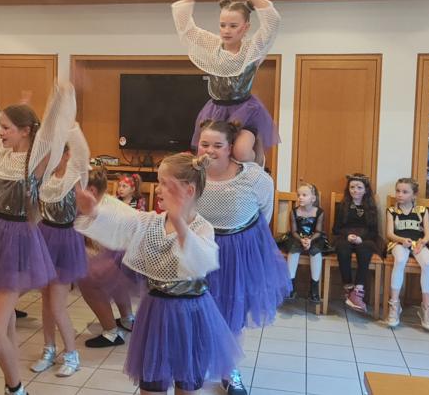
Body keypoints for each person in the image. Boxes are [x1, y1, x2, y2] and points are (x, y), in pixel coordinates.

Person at [0, 53, 76, 395]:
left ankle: (16, 388)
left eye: (7, 128)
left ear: (24, 131)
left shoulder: (36, 161)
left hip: (17, 241)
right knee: (3, 327)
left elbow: (52, 130)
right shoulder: (1, 152)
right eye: (1, 126)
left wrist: (61, 96)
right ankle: (13, 384)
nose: (0, 131)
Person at [75, 152, 241, 395]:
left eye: (165, 184)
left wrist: (179, 222)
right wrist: (94, 211)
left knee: (186, 385)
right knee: (152, 383)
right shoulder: (151, 222)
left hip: (190, 315)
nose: (158, 189)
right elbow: (123, 219)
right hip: (155, 312)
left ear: (189, 191)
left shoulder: (203, 228)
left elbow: (199, 262)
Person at [196, 120, 286, 395]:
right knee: (198, 311)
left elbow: (264, 213)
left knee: (233, 315)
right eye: (204, 144)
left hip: (239, 254)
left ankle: (230, 370)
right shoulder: (191, 174)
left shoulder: (254, 177)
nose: (209, 150)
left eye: (217, 145)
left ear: (230, 148)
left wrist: (244, 242)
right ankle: (196, 363)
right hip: (201, 251)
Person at [173, 0, 281, 165]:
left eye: (233, 26)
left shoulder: (252, 50)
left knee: (240, 152)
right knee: (210, 155)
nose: (226, 30)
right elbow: (185, 26)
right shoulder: (212, 46)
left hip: (246, 110)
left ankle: (257, 161)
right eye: (222, 25)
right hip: (216, 109)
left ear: (245, 27)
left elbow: (272, 22)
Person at [31, 126, 90, 377]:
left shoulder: (75, 177)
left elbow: (82, 152)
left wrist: (69, 122)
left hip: (66, 242)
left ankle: (72, 354)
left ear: (67, 154)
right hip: (44, 237)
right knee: (45, 301)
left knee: (57, 305)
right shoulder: (44, 178)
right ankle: (49, 349)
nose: (52, 157)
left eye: (58, 152)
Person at [77, 166, 138, 348]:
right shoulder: (108, 202)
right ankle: (127, 319)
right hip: (128, 253)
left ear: (91, 190)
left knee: (88, 281)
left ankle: (111, 332)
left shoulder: (100, 211)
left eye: (76, 190)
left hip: (127, 254)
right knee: (116, 281)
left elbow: (95, 246)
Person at [384, 178, 429, 330]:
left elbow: (428, 234)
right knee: (400, 260)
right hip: (399, 243)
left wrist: (422, 242)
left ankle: (426, 308)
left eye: (405, 192)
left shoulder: (422, 211)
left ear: (414, 195)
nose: (400, 194)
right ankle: (394, 306)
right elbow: (389, 233)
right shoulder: (392, 211)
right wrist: (401, 240)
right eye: (398, 191)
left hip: (417, 243)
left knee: (427, 263)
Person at [333, 173, 380, 314]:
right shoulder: (342, 206)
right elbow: (336, 229)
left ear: (366, 190)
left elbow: (374, 231)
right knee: (342, 248)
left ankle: (358, 290)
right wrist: (347, 236)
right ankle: (348, 287)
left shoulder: (371, 208)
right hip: (345, 237)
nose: (355, 190)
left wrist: (361, 238)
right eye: (352, 187)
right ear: (348, 189)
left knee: (365, 250)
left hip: (365, 238)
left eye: (359, 187)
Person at [284, 182, 326, 304]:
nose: (300, 197)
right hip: (297, 237)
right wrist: (302, 240)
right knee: (293, 250)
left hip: (314, 238)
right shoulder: (294, 212)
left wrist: (310, 240)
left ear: (313, 198)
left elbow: (318, 231)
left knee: (316, 252)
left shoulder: (319, 212)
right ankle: (290, 287)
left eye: (304, 195)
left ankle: (314, 289)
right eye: (298, 195)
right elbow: (293, 231)